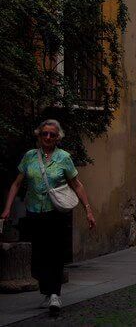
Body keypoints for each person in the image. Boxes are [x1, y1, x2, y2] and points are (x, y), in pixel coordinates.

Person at [1, 120, 96, 316]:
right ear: (39, 135)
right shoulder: (29, 157)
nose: (48, 138)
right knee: (38, 255)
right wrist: (7, 208)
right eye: (44, 134)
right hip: (34, 212)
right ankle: (47, 290)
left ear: (58, 137)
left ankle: (55, 294)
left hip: (57, 213)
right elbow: (17, 184)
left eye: (52, 135)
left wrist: (88, 209)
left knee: (55, 253)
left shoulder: (63, 158)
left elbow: (77, 184)